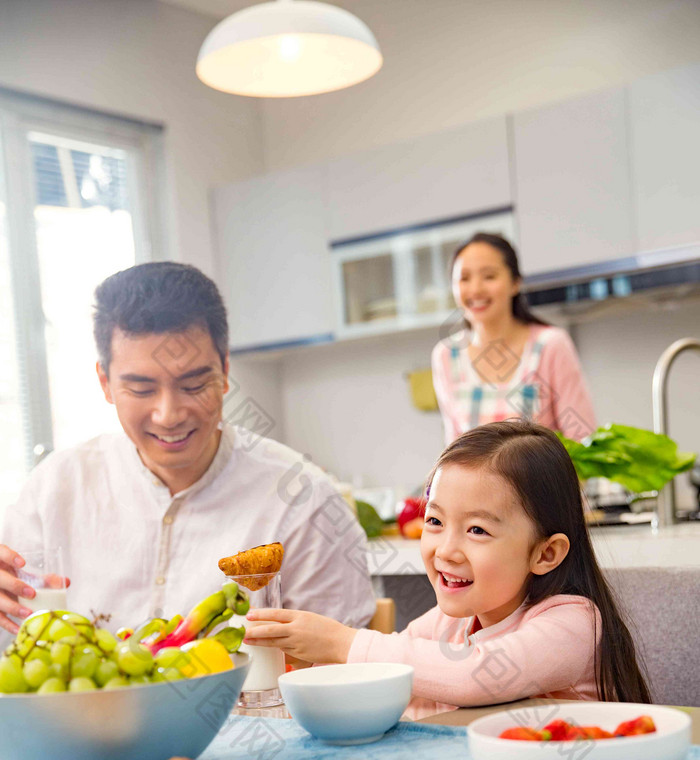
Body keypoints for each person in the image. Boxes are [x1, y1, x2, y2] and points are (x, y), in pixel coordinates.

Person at [0, 262, 375, 635]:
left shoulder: (304, 503)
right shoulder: (54, 489)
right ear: (105, 382)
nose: (169, 415)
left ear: (225, 371)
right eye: (142, 389)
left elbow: (339, 669)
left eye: (194, 385)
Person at [243, 420, 653, 707]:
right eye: (435, 521)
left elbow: (476, 676)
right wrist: (316, 661)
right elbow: (395, 675)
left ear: (545, 553)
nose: (446, 550)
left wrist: (342, 643)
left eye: (476, 530)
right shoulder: (450, 622)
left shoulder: (574, 624)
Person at [431, 232, 596, 445]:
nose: (476, 289)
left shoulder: (551, 345)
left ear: (515, 283)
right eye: (464, 278)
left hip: (543, 480)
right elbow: (454, 448)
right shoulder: (445, 355)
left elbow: (583, 441)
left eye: (489, 276)